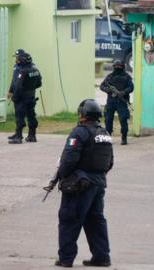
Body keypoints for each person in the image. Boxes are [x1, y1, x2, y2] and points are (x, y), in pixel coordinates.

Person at [54, 99, 113, 267]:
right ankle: (102, 257)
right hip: (99, 183)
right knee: (95, 220)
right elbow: (109, 162)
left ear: (82, 115)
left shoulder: (79, 132)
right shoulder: (105, 133)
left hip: (80, 185)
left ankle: (66, 259)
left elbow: (68, 160)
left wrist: (64, 176)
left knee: (69, 219)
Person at [8, 52, 42, 144]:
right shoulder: (35, 69)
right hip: (31, 96)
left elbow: (18, 86)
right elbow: (39, 83)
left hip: (21, 98)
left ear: (23, 61)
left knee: (19, 117)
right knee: (31, 116)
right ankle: (32, 136)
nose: (17, 61)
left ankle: (18, 137)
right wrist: (30, 88)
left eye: (18, 59)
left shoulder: (22, 71)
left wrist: (14, 97)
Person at [100, 60, 133, 145]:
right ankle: (108, 138)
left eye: (119, 66)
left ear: (123, 67)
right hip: (111, 102)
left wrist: (124, 92)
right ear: (114, 67)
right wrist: (108, 90)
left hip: (121, 101)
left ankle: (124, 138)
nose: (118, 68)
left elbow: (131, 87)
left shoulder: (127, 77)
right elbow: (102, 86)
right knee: (108, 120)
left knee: (123, 120)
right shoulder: (110, 77)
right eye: (116, 66)